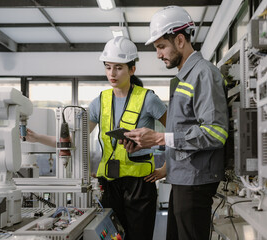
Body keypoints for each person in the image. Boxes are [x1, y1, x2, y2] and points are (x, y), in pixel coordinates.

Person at [25, 36, 167, 240]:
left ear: (132, 69)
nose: (112, 73)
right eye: (108, 67)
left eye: (118, 67)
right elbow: (74, 141)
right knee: (111, 237)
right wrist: (38, 138)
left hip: (139, 185)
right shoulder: (99, 102)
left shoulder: (148, 99)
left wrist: (167, 169)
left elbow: (176, 133)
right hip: (109, 184)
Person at [123, 6, 229, 240]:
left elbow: (216, 133)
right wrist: (147, 143)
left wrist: (160, 137)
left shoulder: (204, 74)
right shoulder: (183, 79)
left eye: (161, 47)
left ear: (180, 40)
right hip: (182, 179)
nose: (159, 54)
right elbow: (182, 132)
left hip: (196, 181)